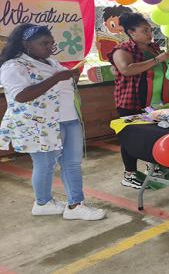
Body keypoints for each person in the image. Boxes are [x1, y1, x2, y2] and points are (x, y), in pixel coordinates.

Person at [0, 24, 105, 220]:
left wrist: (69, 76)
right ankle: (43, 203)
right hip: (40, 123)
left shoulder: (51, 62)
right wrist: (56, 79)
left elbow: (59, 83)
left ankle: (75, 205)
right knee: (45, 164)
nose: (50, 47)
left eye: (51, 43)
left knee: (72, 163)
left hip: (68, 118)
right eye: (44, 43)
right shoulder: (13, 66)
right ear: (26, 44)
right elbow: (21, 96)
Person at [108, 12, 169, 189]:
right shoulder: (123, 50)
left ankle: (154, 168)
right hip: (131, 102)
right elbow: (126, 69)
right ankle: (129, 174)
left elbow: (159, 69)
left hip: (154, 103)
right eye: (144, 30)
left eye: (150, 30)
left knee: (154, 135)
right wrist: (158, 59)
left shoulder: (152, 48)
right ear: (131, 32)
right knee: (130, 138)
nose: (149, 33)